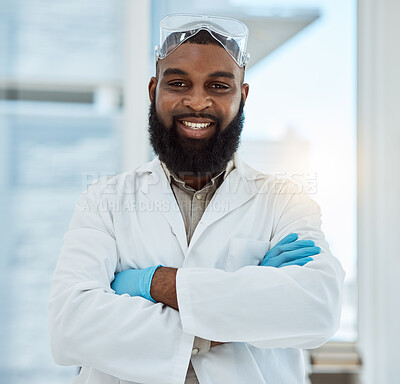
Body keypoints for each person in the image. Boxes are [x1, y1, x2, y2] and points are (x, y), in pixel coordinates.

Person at [48, 14, 345, 384]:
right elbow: (70, 326)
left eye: (219, 86)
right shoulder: (104, 200)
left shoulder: (285, 201)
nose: (198, 102)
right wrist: (248, 301)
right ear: (153, 89)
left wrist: (153, 283)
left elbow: (316, 310)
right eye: (178, 83)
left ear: (243, 95)